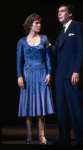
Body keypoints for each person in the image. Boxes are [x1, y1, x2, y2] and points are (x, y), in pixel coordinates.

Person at [52, 3, 83, 145]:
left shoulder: (78, 26)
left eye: (62, 11)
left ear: (70, 14)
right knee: (61, 109)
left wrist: (76, 71)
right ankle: (63, 138)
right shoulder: (62, 32)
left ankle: (81, 138)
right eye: (58, 12)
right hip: (59, 75)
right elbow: (56, 53)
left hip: (72, 74)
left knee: (76, 108)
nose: (59, 13)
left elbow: (81, 50)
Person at [17, 13, 54, 144]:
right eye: (36, 23)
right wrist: (19, 76)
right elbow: (19, 60)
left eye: (39, 23)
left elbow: (48, 57)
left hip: (41, 74)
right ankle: (29, 135)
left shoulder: (44, 40)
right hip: (27, 75)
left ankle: (41, 134)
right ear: (30, 25)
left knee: (41, 104)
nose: (39, 25)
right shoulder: (22, 41)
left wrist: (49, 73)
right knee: (28, 105)